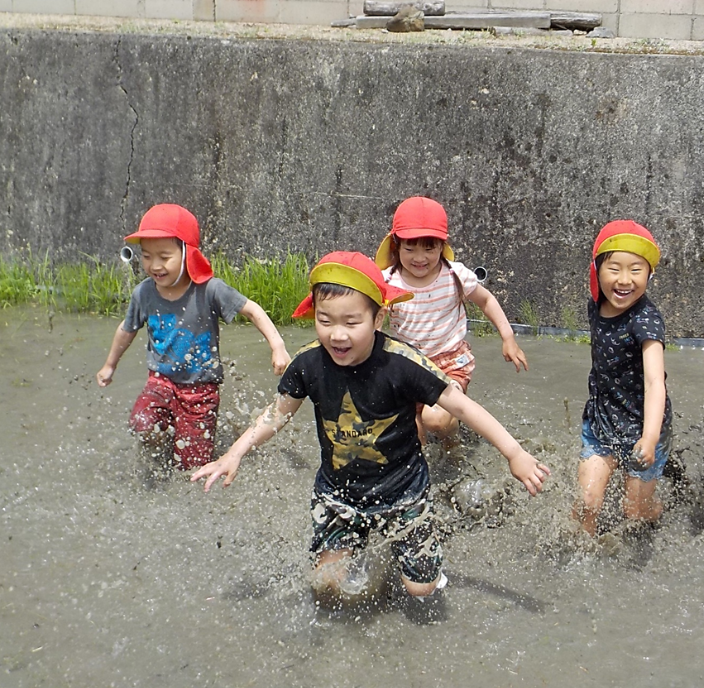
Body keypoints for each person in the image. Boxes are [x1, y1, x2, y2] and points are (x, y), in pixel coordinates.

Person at [190, 251, 549, 603]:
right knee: (326, 585)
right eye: (325, 320)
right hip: (338, 495)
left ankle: (421, 559)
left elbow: (464, 407)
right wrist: (234, 453)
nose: (337, 335)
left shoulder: (403, 364)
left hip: (404, 491)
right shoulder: (308, 364)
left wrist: (514, 453)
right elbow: (276, 414)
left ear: (378, 318)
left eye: (351, 322)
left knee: (420, 590)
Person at [97, 203, 290, 470]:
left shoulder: (210, 290)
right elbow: (126, 329)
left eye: (164, 256)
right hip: (160, 381)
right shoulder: (143, 293)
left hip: (201, 391)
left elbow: (252, 310)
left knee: (193, 466)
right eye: (147, 256)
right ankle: (158, 451)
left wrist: (277, 346)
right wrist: (110, 365)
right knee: (142, 424)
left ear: (188, 253)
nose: (155, 265)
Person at [375, 196, 528, 445]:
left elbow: (487, 300)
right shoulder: (387, 281)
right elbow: (372, 319)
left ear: (441, 246)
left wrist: (508, 337)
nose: (420, 257)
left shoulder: (455, 275)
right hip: (406, 365)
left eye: (429, 248)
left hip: (449, 363)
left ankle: (453, 442)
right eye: (410, 248)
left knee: (435, 420)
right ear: (396, 246)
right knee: (412, 435)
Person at [573, 220, 673, 537]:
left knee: (634, 512)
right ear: (597, 270)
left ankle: (656, 508)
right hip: (602, 420)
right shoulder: (596, 304)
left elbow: (656, 382)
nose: (624, 280)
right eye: (614, 268)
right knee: (587, 501)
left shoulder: (646, 321)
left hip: (644, 426)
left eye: (636, 270)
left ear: (649, 275)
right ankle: (582, 561)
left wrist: (651, 436)